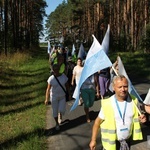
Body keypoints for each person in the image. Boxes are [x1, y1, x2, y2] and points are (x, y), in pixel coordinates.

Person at [89, 75, 146, 150]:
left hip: (126, 143)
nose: (123, 89)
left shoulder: (134, 101)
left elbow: (137, 118)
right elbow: (97, 123)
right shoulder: (108, 104)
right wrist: (93, 140)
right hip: (111, 144)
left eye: (125, 86)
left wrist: (142, 120)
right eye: (120, 87)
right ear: (113, 87)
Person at [44, 64, 68, 130]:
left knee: (62, 110)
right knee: (54, 111)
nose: (56, 71)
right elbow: (48, 89)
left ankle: (60, 114)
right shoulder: (51, 79)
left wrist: (69, 93)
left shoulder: (63, 77)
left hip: (62, 96)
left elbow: (67, 85)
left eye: (57, 69)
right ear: (53, 71)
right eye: (54, 70)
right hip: (54, 97)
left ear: (59, 69)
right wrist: (46, 99)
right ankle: (57, 123)